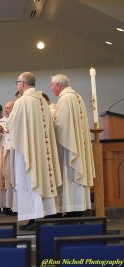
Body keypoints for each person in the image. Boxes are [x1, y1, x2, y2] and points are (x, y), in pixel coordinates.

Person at [6, 72, 62, 231]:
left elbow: (11, 124)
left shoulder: (23, 101)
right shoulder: (42, 101)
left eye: (17, 82)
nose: (17, 85)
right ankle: (43, 214)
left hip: (27, 150)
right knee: (42, 179)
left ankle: (33, 216)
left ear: (22, 84)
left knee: (28, 181)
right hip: (42, 150)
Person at [51, 74, 95, 217]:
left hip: (69, 146)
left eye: (52, 85)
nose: (52, 89)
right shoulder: (77, 96)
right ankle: (81, 206)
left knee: (70, 174)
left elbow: (60, 124)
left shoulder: (65, 98)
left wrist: (49, 121)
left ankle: (72, 208)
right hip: (77, 143)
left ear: (58, 85)